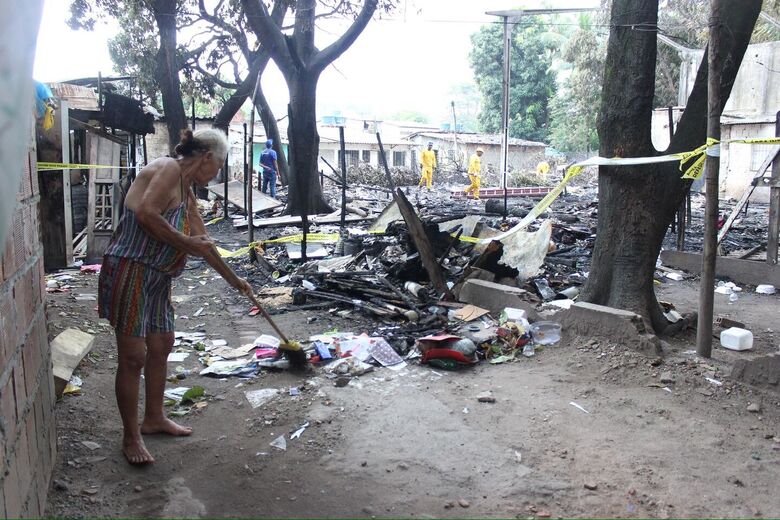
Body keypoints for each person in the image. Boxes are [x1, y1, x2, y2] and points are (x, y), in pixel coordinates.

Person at [98, 128, 253, 465]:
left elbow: (205, 245)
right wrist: (185, 245)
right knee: (133, 357)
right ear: (207, 157)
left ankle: (154, 418)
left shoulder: (187, 193)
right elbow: (146, 213)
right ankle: (131, 436)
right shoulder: (168, 168)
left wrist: (235, 279)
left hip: (157, 279)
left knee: (163, 344)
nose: (217, 174)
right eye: (219, 166)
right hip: (131, 269)